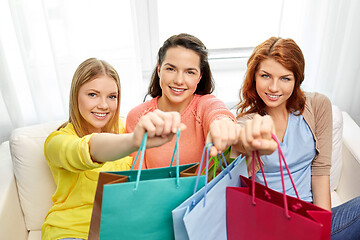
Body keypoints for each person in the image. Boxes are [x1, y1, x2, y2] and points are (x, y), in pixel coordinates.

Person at [41, 58, 186, 240]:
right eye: (92, 94)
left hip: (119, 230)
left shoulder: (127, 126)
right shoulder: (57, 141)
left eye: (112, 96)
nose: (104, 105)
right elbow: (91, 148)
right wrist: (134, 140)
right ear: (75, 95)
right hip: (72, 231)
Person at [235, 36, 360, 239]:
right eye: (266, 76)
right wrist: (243, 139)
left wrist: (321, 231)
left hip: (310, 219)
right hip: (269, 225)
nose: (274, 87)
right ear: (254, 77)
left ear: (296, 80)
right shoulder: (248, 122)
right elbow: (236, 140)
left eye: (285, 78)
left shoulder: (317, 106)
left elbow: (320, 173)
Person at [126, 33, 276, 169]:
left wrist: (229, 129)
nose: (179, 80)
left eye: (190, 72)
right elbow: (138, 179)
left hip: (206, 199)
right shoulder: (138, 116)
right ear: (159, 69)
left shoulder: (206, 105)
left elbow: (219, 116)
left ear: (200, 77)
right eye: (171, 69)